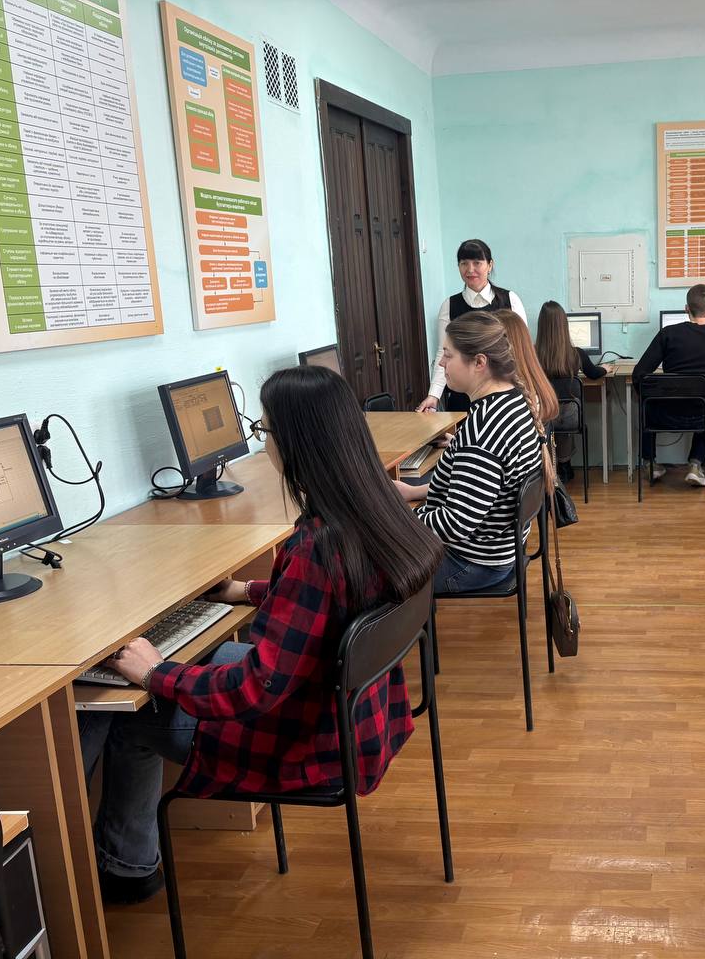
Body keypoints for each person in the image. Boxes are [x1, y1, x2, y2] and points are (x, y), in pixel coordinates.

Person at [79, 365, 443, 904]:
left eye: (266, 430)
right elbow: (324, 601)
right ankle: (125, 860)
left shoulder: (317, 544)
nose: (264, 442)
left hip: (305, 739)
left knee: (124, 711)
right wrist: (248, 591)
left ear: (295, 444)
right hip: (362, 720)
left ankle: (126, 869)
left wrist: (155, 673)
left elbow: (254, 688)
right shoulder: (378, 509)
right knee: (206, 655)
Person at [397, 312, 544, 594]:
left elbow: (455, 524)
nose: (441, 363)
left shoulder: (482, 431)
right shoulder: (513, 401)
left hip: (470, 564)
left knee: (360, 568)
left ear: (479, 363)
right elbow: (474, 489)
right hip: (500, 552)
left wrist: (394, 518)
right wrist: (414, 494)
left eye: (448, 355)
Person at [632, 284, 705, 487]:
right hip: (701, 416)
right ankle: (695, 465)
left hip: (666, 415)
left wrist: (645, 396)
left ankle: (650, 464)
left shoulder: (667, 334)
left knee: (646, 406)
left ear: (686, 309)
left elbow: (639, 374)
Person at [416, 239, 528, 413]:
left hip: (504, 393)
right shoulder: (449, 306)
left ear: (490, 265)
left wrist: (528, 390)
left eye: (477, 263)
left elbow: (522, 350)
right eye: (464, 263)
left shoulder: (510, 300)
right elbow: (444, 353)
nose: (470, 269)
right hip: (462, 396)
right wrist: (434, 395)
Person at [534, 300, 611, 481]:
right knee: (566, 411)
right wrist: (605, 369)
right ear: (564, 326)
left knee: (551, 415)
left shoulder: (533, 353)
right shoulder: (576, 353)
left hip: (542, 416)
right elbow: (593, 374)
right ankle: (565, 465)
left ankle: (549, 467)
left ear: (541, 326)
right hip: (570, 419)